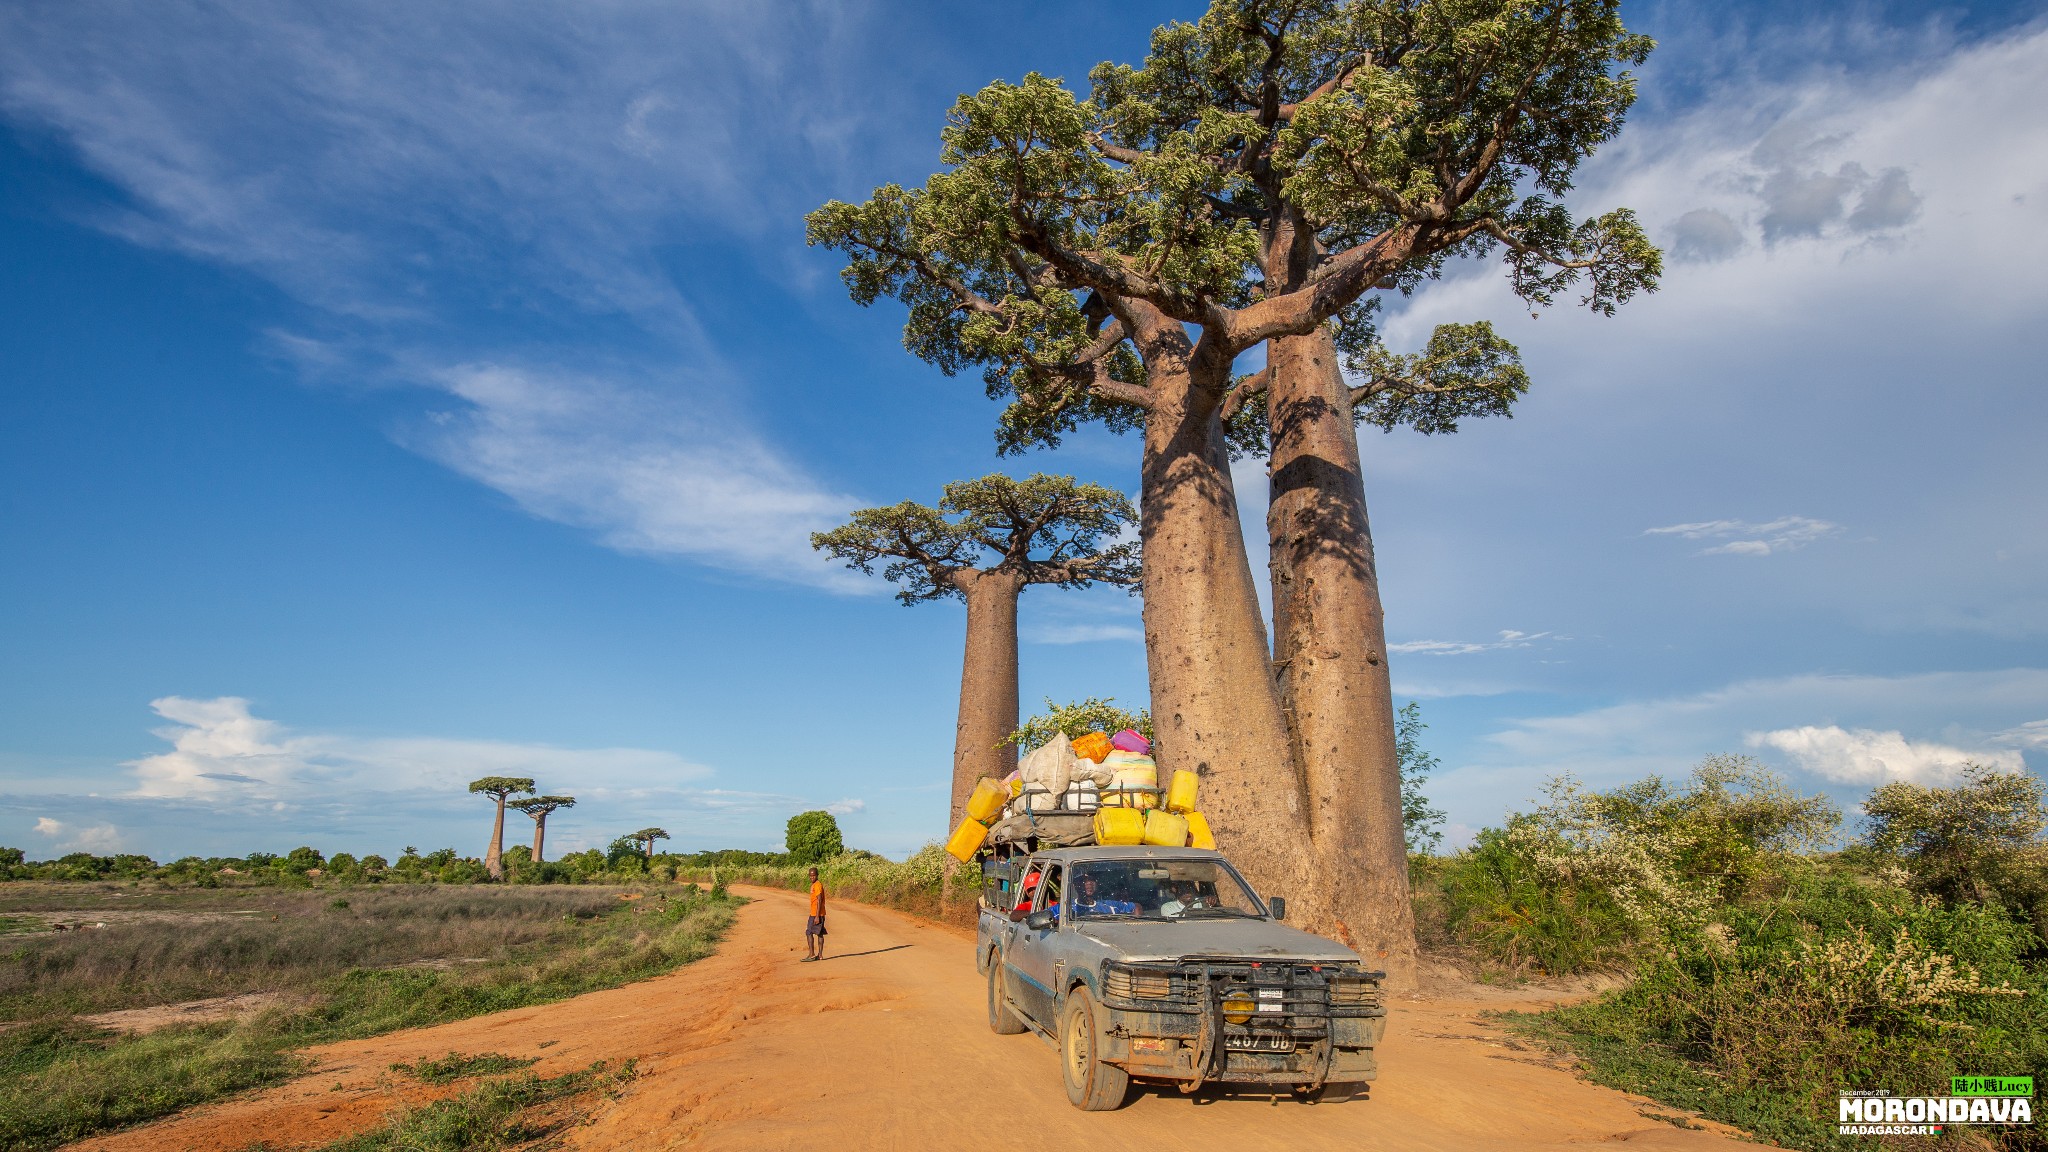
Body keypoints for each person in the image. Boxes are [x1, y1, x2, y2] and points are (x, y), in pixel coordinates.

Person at [1072, 870, 1137, 916]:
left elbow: (1136, 907)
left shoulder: (1110, 905)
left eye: (1092, 879)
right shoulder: (1067, 908)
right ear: (1076, 885)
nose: (1089, 883)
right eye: (1084, 880)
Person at [801, 867, 826, 962]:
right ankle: (820, 955)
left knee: (809, 932)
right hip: (817, 913)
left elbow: (819, 899)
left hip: (816, 914)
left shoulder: (817, 885)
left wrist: (816, 916)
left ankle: (812, 954)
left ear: (817, 875)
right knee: (819, 933)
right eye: (810, 876)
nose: (812, 877)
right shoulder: (814, 885)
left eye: (814, 875)